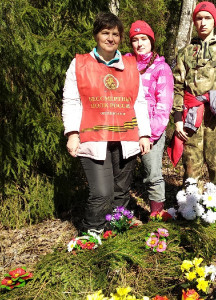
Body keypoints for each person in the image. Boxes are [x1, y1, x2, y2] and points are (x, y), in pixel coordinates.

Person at [62, 12, 151, 234]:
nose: (110, 38)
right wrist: (72, 133)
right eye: (105, 33)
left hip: (126, 138)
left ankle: (115, 231)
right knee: (102, 192)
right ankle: (92, 235)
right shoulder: (80, 64)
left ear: (120, 38)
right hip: (93, 138)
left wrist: (144, 134)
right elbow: (71, 100)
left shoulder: (130, 65)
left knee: (121, 190)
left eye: (115, 34)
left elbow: (139, 101)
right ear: (96, 35)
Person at [169, 1, 216, 197]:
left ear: (214, 21)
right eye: (199, 18)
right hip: (190, 115)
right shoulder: (185, 53)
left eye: (207, 18)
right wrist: (177, 120)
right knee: (191, 162)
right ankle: (190, 207)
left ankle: (215, 208)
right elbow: (177, 86)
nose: (202, 22)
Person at [125, 20, 174, 214]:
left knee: (152, 174)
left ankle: (157, 214)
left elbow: (164, 105)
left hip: (151, 130)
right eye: (135, 40)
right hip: (126, 128)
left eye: (144, 38)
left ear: (151, 41)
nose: (139, 43)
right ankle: (121, 214)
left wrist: (151, 135)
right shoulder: (125, 65)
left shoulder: (161, 69)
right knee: (122, 174)